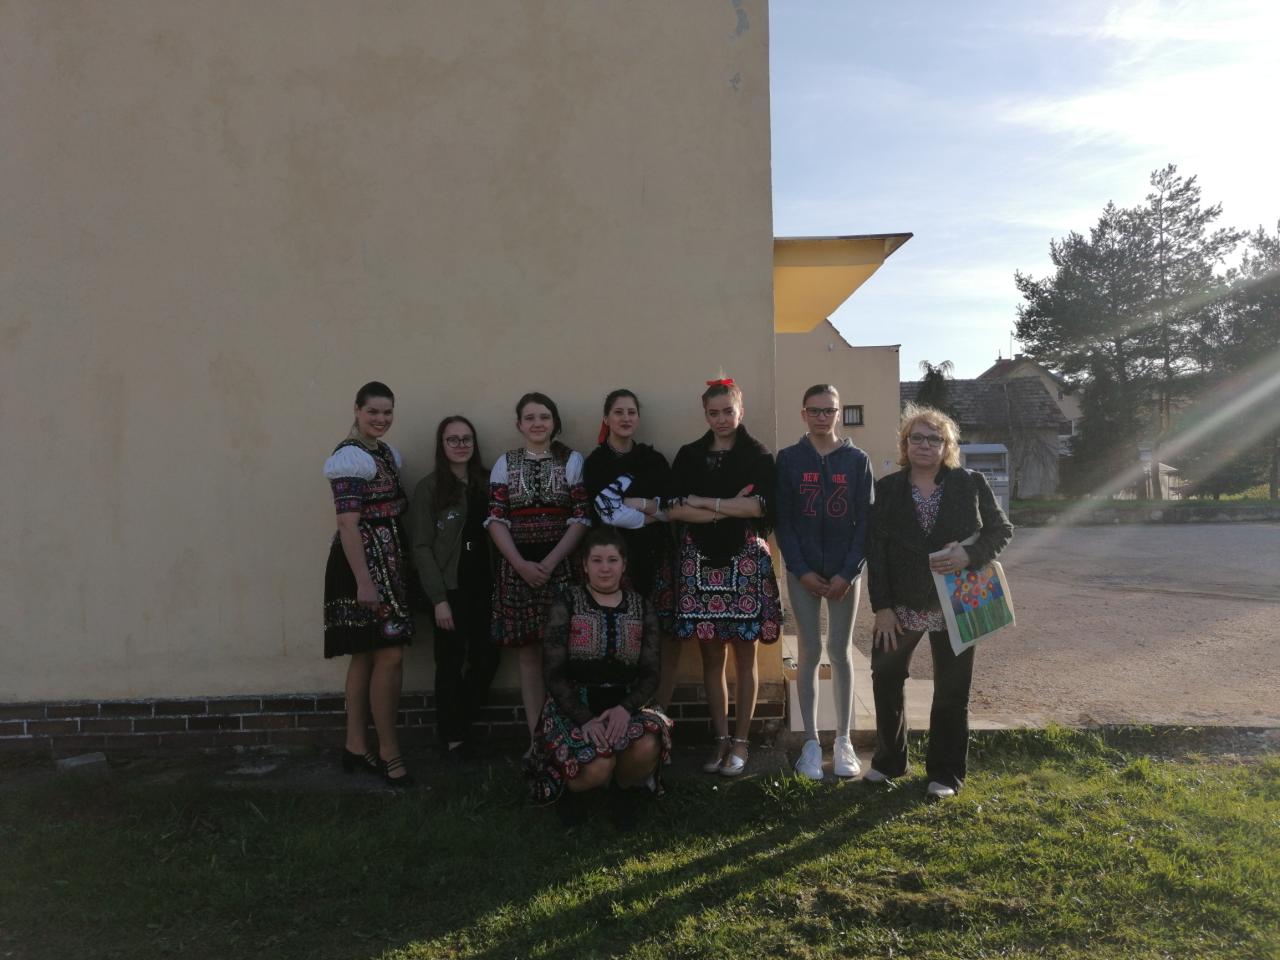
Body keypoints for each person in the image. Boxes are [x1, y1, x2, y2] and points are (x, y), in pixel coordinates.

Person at [866, 402, 1013, 799]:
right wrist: (882, 607)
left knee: (951, 690)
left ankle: (945, 774)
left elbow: (1000, 530)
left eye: (935, 439)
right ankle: (889, 761)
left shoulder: (970, 482)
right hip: (901, 604)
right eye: (917, 437)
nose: (925, 445)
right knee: (885, 679)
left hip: (955, 601)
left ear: (948, 446)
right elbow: (876, 550)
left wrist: (971, 554)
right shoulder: (888, 489)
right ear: (905, 444)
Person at [666, 377, 781, 777]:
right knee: (711, 656)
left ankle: (742, 741)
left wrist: (704, 502)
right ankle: (719, 739)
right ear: (705, 414)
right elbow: (675, 509)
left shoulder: (758, 455)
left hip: (745, 561)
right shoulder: (689, 455)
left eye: (728, 411)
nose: (721, 419)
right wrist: (728, 506)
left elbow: (759, 508)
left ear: (740, 410)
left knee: (746, 654)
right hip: (698, 560)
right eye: (714, 413)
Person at [527, 528, 672, 825]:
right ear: (584, 565)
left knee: (647, 743)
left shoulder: (641, 607)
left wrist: (625, 709)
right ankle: (575, 791)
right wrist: (585, 719)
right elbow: (553, 673)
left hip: (626, 702)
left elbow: (651, 674)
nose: (605, 568)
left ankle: (622, 790)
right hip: (574, 705)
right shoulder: (567, 603)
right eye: (597, 560)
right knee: (597, 764)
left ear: (624, 564)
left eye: (612, 560)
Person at [775, 384, 873, 781]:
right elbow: (783, 520)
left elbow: (866, 521)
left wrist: (849, 572)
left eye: (828, 410)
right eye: (814, 410)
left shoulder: (857, 460)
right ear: (803, 413)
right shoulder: (789, 459)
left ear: (838, 412)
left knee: (840, 649)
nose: (822, 417)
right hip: (803, 571)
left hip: (844, 572)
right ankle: (811, 743)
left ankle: (844, 739)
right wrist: (800, 569)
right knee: (810, 650)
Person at [322, 381, 416, 786]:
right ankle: (389, 750)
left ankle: (355, 745)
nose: (381, 418)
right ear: (357, 410)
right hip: (363, 564)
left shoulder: (386, 454)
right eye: (373, 411)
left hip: (388, 559)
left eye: (387, 412)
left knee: (366, 655)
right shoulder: (349, 457)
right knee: (388, 654)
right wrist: (364, 581)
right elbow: (347, 524)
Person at [486, 392, 590, 748]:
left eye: (544, 417)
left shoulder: (571, 460)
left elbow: (581, 517)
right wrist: (520, 564)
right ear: (519, 424)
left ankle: (569, 731)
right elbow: (496, 519)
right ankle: (538, 738)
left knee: (564, 652)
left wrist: (550, 562)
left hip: (561, 569)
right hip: (519, 571)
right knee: (528, 654)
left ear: (554, 422)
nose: (537, 423)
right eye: (529, 418)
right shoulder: (505, 463)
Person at [582, 388, 679, 707]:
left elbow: (672, 508)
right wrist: (651, 511)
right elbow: (608, 514)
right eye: (619, 412)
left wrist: (640, 504)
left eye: (631, 412)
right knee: (620, 637)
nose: (626, 418)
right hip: (613, 563)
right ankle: (620, 710)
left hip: (656, 557)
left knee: (659, 637)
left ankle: (657, 712)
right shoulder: (596, 463)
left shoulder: (653, 460)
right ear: (606, 418)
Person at [410, 415, 499, 764]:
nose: (461, 445)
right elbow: (421, 547)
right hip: (450, 588)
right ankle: (453, 738)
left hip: (487, 586)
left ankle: (459, 720)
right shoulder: (429, 488)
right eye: (453, 439)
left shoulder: (489, 482)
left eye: (466, 438)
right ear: (442, 445)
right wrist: (439, 600)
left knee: (487, 658)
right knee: (449, 662)